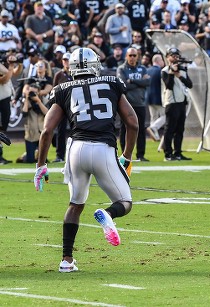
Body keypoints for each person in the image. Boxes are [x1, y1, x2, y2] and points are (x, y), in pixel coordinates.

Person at [33, 47, 139, 273]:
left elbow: (46, 131)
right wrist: (127, 156)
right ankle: (108, 214)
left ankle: (66, 259)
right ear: (95, 66)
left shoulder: (62, 88)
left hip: (76, 150)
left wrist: (41, 164)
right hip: (104, 149)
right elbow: (133, 123)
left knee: (75, 204)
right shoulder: (112, 82)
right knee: (125, 202)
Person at [117, 47, 150, 161]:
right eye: (130, 55)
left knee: (141, 129)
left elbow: (147, 82)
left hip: (140, 103)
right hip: (126, 104)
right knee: (124, 129)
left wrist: (132, 81)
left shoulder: (143, 68)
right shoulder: (121, 69)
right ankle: (124, 154)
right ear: (126, 56)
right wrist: (139, 83)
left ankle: (141, 155)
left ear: (138, 56)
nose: (132, 57)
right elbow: (123, 85)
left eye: (134, 55)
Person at [161, 47, 193, 161]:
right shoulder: (165, 71)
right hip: (172, 102)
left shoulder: (182, 70)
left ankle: (178, 152)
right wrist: (171, 73)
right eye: (173, 55)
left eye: (177, 56)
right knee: (169, 129)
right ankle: (168, 154)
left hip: (182, 102)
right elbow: (168, 86)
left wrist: (179, 75)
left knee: (180, 129)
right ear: (167, 57)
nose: (175, 58)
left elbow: (190, 84)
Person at [51, 52, 72, 163]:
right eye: (64, 60)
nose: (65, 62)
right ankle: (60, 156)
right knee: (60, 131)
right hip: (62, 106)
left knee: (76, 130)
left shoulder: (75, 73)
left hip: (74, 105)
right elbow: (54, 91)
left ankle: (75, 154)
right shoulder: (58, 75)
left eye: (67, 60)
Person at [146, 54, 165, 142]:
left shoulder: (147, 70)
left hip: (148, 98)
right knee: (166, 116)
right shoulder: (160, 71)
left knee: (153, 117)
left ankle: (155, 137)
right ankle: (153, 128)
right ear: (158, 61)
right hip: (158, 98)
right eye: (161, 60)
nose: (163, 62)